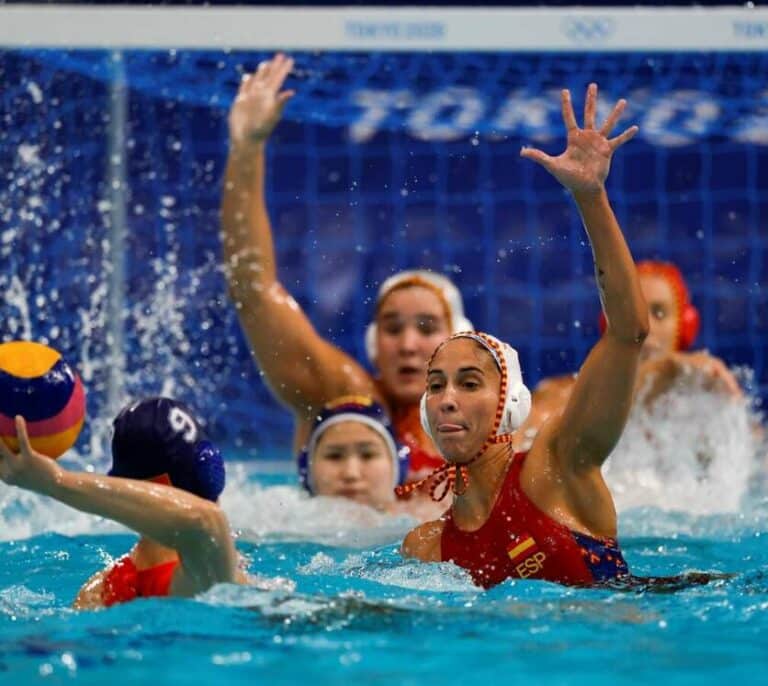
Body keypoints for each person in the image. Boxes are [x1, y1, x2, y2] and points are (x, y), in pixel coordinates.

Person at [401, 84, 647, 588]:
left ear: (510, 402)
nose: (447, 399)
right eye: (437, 385)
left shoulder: (559, 466)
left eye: (470, 383)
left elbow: (628, 333)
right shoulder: (425, 548)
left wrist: (591, 197)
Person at [221, 53, 471, 479]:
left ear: (460, 342)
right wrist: (247, 148)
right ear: (374, 343)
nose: (408, 344)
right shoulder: (343, 398)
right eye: (393, 329)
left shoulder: (498, 429)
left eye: (427, 328)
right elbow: (253, 289)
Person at [0, 397, 248, 608]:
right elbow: (204, 521)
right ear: (206, 473)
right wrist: (56, 481)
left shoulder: (100, 590)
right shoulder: (203, 563)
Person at [517, 260, 742, 451]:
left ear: (685, 326)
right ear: (609, 325)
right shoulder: (567, 392)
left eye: (658, 313)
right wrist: (662, 370)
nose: (643, 325)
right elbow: (523, 437)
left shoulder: (704, 409)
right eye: (630, 311)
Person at [297, 395, 444, 520]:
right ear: (307, 468)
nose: (351, 474)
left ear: (398, 466)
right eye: (334, 456)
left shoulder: (427, 522)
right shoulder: (283, 518)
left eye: (368, 455)